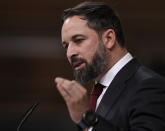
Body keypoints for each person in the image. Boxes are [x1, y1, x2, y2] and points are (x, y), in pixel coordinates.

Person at [55, 1, 165, 131]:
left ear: (109, 38)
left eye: (78, 40)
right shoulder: (100, 89)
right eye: (66, 46)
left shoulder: (149, 86)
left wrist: (87, 118)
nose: (69, 53)